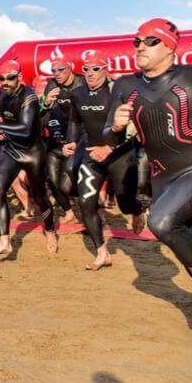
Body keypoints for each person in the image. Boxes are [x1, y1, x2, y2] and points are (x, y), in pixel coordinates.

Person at [104, 18, 192, 327]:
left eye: (150, 41)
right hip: (163, 179)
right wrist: (116, 127)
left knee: (160, 221)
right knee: (191, 247)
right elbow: (109, 136)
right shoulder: (125, 85)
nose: (140, 46)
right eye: (137, 41)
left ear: (171, 47)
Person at [64, 52, 144, 271]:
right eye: (86, 69)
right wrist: (71, 141)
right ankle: (101, 252)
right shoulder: (78, 93)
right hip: (92, 154)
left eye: (96, 69)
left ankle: (136, 210)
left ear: (106, 69)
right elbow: (74, 120)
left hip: (120, 153)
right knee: (86, 202)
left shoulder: (117, 91)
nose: (90, 74)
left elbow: (134, 126)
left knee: (124, 204)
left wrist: (109, 147)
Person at [0, 59, 58, 256]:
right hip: (11, 148)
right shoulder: (2, 92)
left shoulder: (29, 96)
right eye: (2, 78)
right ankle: (5, 240)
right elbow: (1, 112)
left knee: (39, 197)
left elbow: (27, 130)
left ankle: (50, 229)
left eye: (10, 78)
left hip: (32, 153)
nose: (5, 82)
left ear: (19, 77)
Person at [42, 55, 83, 222]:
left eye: (61, 69)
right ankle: (68, 212)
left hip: (80, 134)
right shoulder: (52, 85)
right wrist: (47, 103)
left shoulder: (82, 82)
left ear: (70, 68)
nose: (56, 74)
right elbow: (43, 114)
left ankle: (90, 210)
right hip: (58, 136)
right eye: (53, 71)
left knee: (68, 181)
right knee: (52, 180)